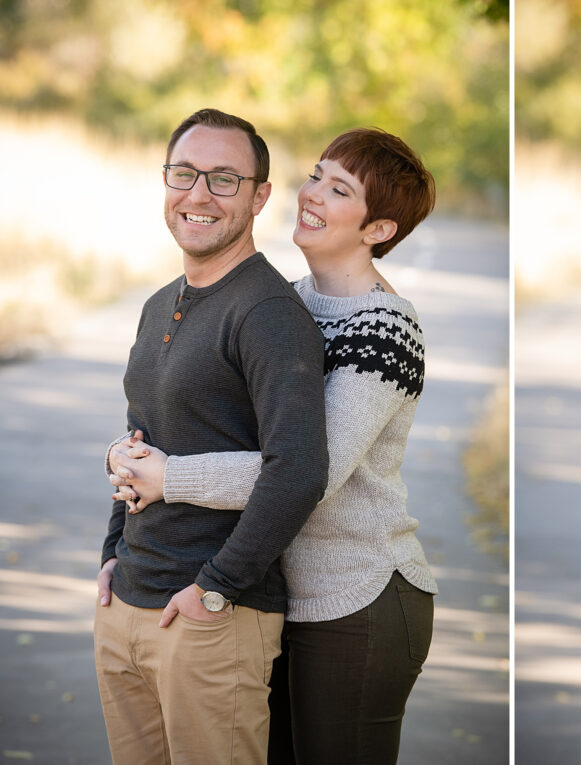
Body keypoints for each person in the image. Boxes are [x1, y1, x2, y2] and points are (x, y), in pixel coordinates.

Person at [108, 128, 438, 765]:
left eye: (338, 189)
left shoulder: (385, 329)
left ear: (378, 229)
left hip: (358, 593)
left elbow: (312, 469)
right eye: (316, 174)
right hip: (276, 588)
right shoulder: (293, 302)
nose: (310, 193)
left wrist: (169, 477)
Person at [93, 108, 330, 765]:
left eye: (224, 179)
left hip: (212, 618)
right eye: (184, 173)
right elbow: (140, 435)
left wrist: (216, 586)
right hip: (128, 602)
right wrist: (113, 550)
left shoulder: (269, 313)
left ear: (260, 197)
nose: (198, 194)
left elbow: (300, 468)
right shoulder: (159, 302)